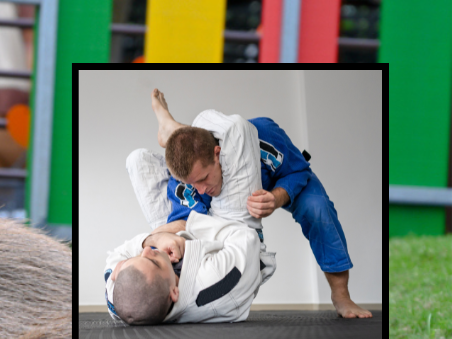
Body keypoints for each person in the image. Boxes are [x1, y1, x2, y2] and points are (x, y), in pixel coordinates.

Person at [144, 89, 372, 319]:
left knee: (317, 208)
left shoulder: (263, 134)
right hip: (223, 204)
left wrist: (277, 197)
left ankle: (341, 295)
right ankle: (172, 129)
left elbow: (299, 169)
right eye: (194, 184)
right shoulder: (185, 180)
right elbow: (191, 225)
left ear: (217, 154)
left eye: (204, 179)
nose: (201, 189)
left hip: (279, 180)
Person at [104, 212, 276, 326]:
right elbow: (247, 237)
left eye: (137, 258)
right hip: (231, 235)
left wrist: (154, 238)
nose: (147, 251)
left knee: (138, 161)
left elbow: (116, 255)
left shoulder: (119, 301)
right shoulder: (213, 279)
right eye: (154, 262)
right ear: (174, 292)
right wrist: (184, 227)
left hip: (176, 237)